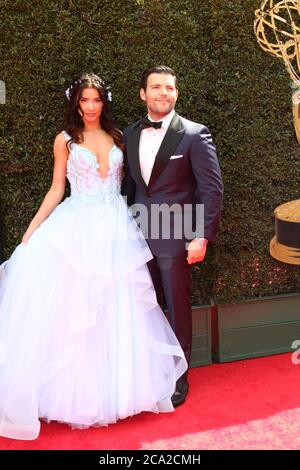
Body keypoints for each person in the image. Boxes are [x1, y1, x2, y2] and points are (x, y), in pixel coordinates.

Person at [0, 73, 187, 441]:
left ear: (104, 103)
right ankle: (75, 396)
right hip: (78, 227)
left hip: (116, 229)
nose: (89, 107)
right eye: (84, 100)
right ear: (75, 102)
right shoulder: (65, 141)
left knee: (119, 309)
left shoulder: (119, 138)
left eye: (96, 100)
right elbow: (57, 189)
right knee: (77, 308)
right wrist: (31, 230)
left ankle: (119, 391)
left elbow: (135, 183)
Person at [122, 65, 223, 407]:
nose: (163, 92)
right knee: (144, 307)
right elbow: (131, 186)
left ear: (176, 93)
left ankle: (179, 378)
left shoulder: (195, 134)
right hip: (137, 235)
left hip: (177, 236)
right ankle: (150, 371)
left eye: (169, 88)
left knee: (177, 308)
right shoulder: (130, 133)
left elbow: (212, 190)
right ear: (143, 94)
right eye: (156, 87)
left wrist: (201, 237)